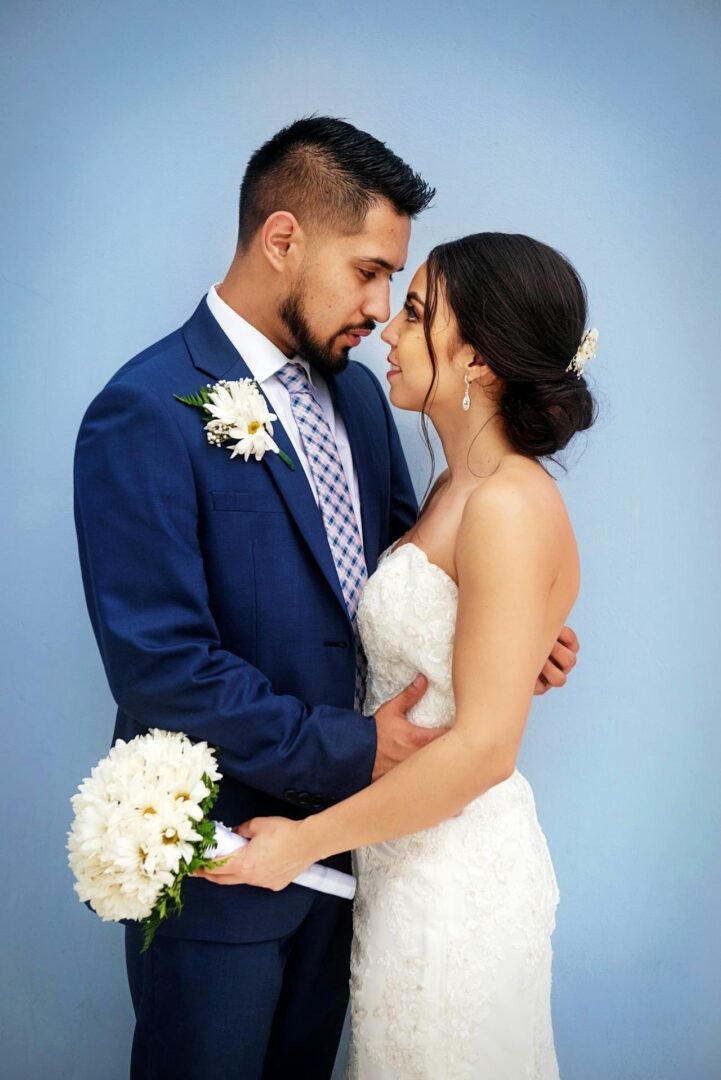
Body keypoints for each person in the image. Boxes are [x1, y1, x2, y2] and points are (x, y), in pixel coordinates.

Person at [74, 115, 580, 1080]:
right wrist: (357, 747)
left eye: (400, 285)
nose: (381, 306)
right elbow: (159, 663)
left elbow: (405, 572)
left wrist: (507, 634)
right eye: (369, 271)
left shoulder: (355, 394)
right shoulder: (143, 409)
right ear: (282, 240)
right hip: (229, 862)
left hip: (366, 870)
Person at [197, 231, 597, 1078]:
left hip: (456, 877)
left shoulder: (508, 506)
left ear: (478, 359)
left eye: (415, 314)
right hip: (402, 860)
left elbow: (486, 749)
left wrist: (300, 841)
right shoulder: (456, 489)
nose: (387, 328)